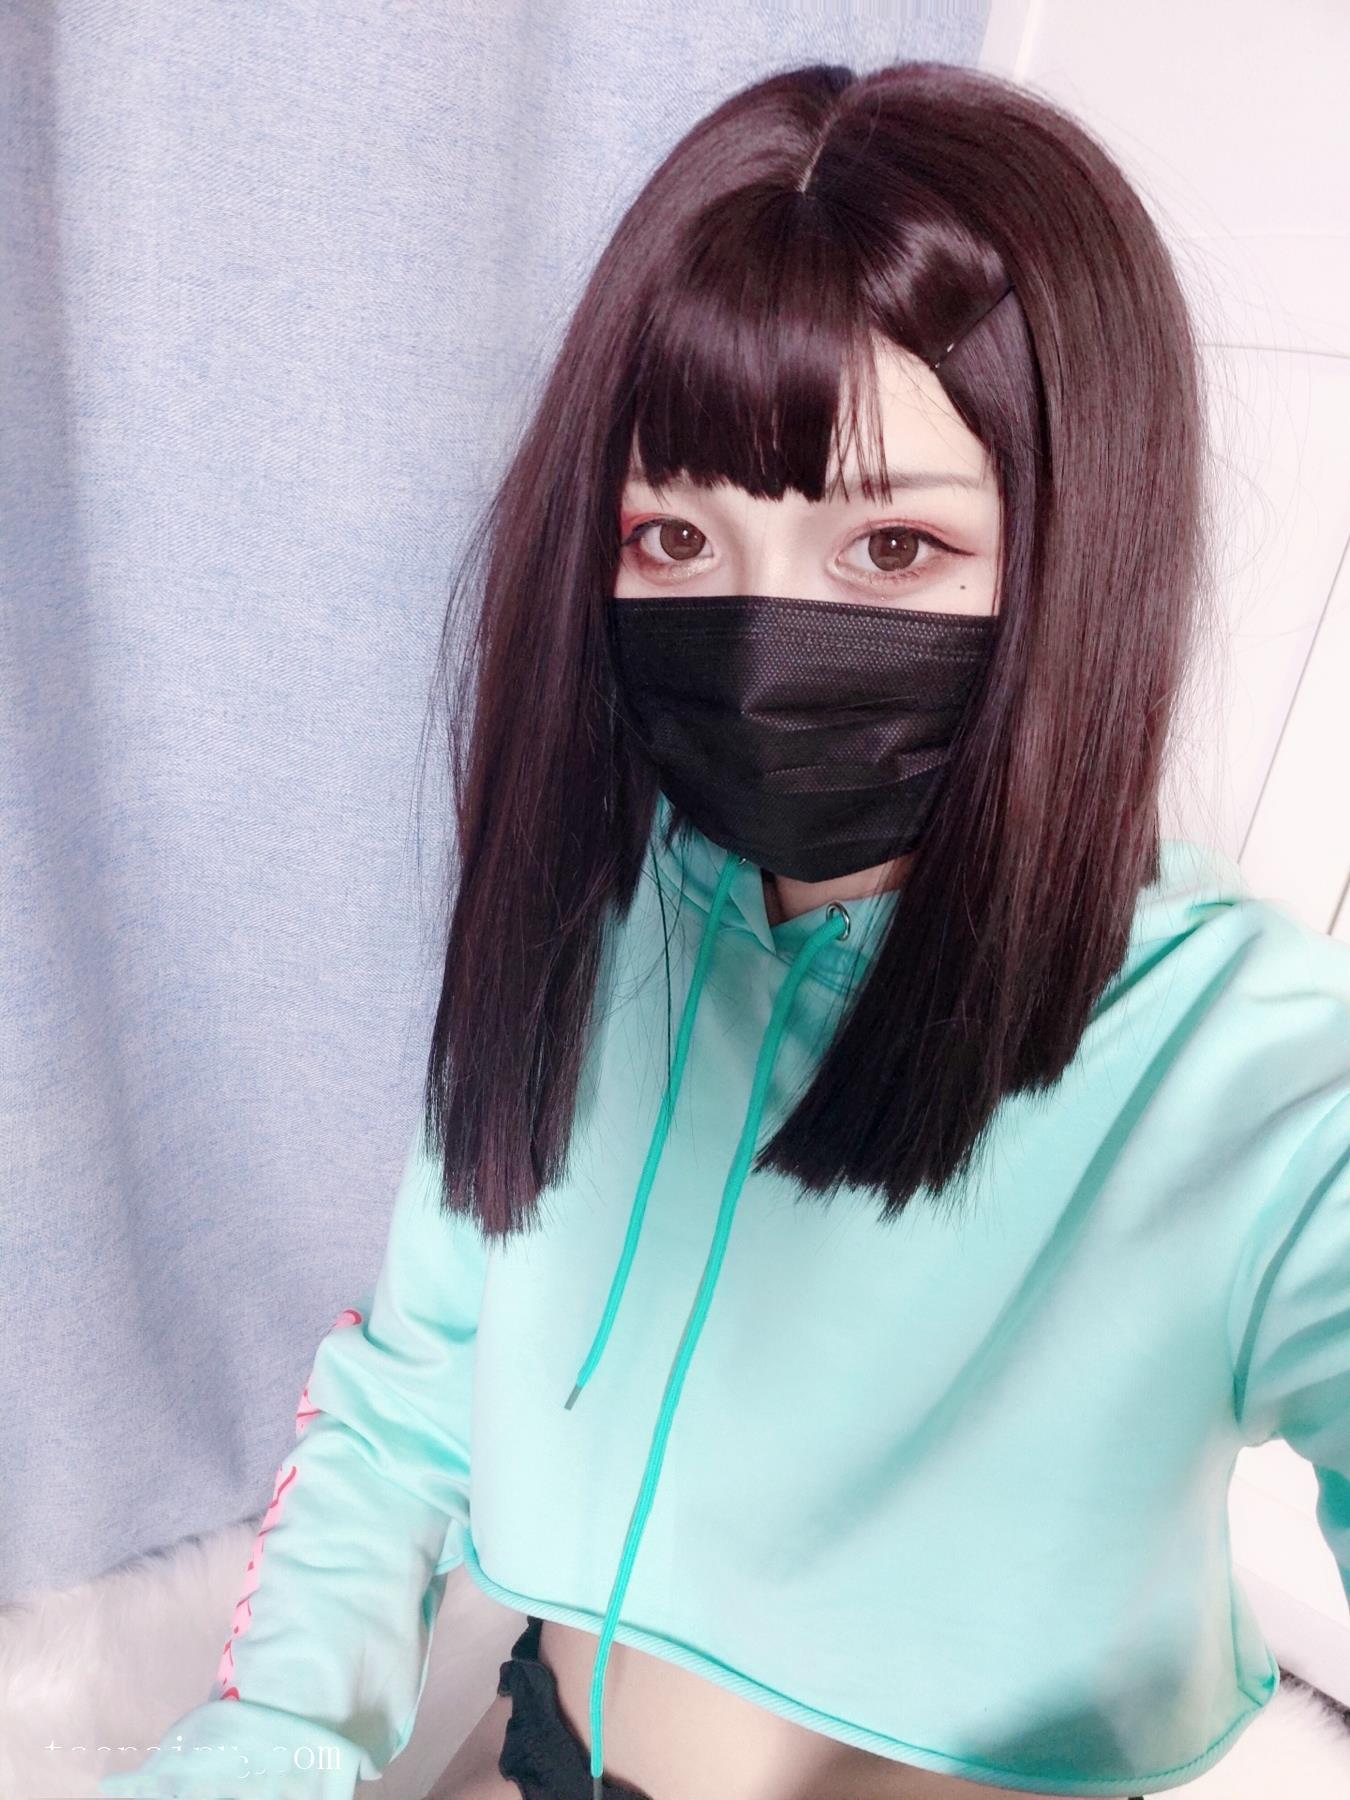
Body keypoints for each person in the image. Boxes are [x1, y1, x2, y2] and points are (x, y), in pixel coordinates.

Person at [98, 57, 1350, 1800]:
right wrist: (270, 1740)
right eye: (673, 534)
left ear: (1076, 551)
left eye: (891, 547)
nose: (759, 640)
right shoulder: (586, 923)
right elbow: (415, 1387)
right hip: (551, 1751)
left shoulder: (1260, 1073)